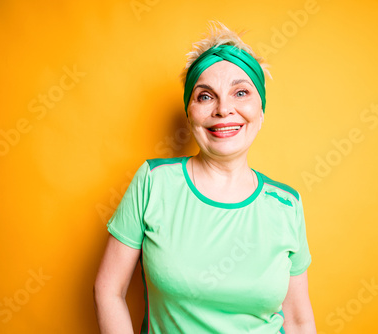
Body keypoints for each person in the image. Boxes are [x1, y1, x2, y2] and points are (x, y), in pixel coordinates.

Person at [93, 20, 316, 333]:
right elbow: (108, 290)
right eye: (205, 96)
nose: (224, 109)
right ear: (189, 113)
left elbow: (298, 319)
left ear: (261, 111)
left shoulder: (286, 204)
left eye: (240, 92)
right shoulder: (154, 182)